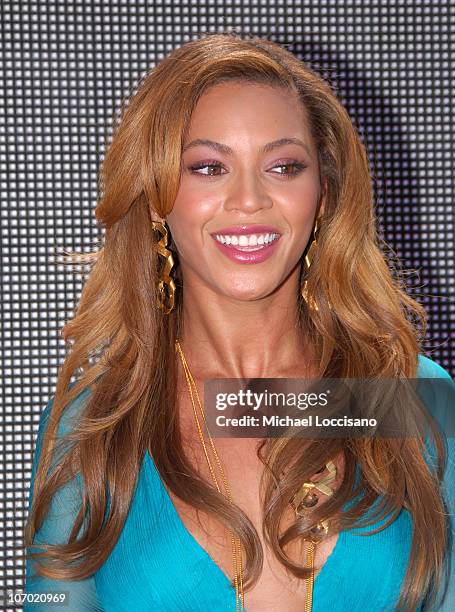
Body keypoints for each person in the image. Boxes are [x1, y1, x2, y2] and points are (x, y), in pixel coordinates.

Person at [24, 32, 454, 611]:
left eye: (282, 166)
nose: (249, 199)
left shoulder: (406, 399)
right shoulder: (93, 427)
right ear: (156, 197)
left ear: (322, 194)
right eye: (208, 166)